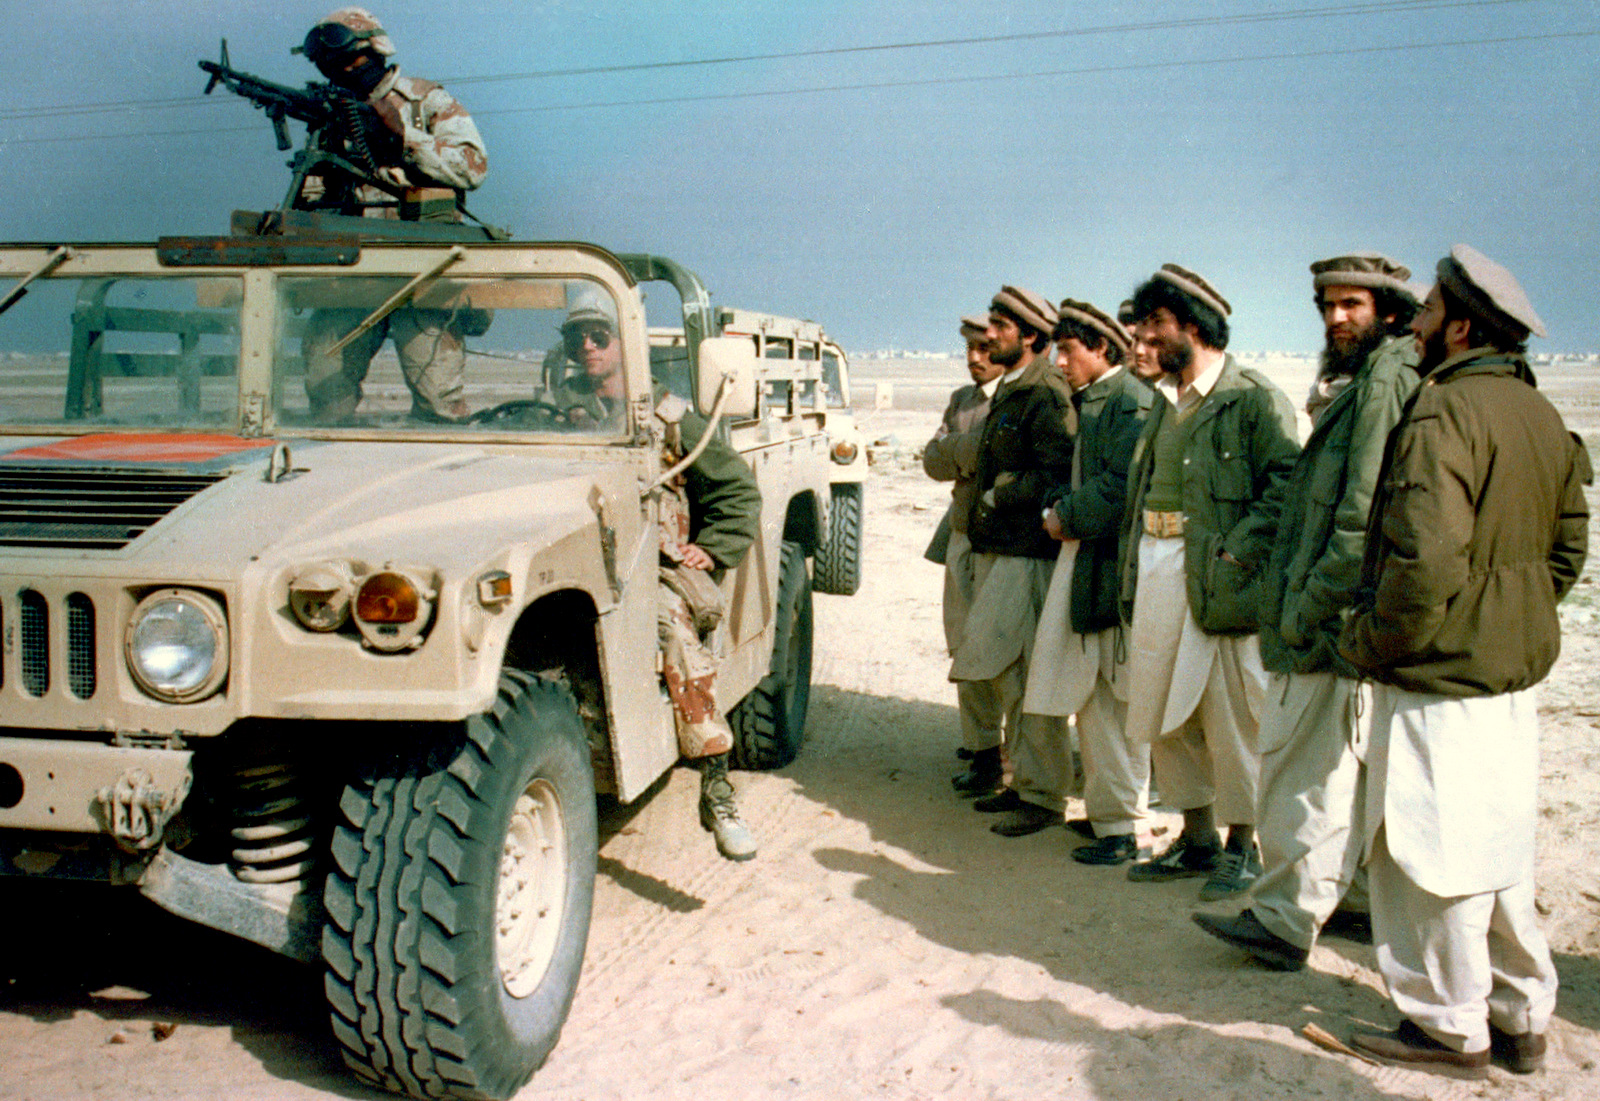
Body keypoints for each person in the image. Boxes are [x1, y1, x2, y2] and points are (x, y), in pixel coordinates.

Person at [1339, 245, 1588, 1077]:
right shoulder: (1540, 414)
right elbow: (1567, 550)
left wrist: (1371, 641)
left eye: (1431, 308)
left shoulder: (1444, 413)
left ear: (1462, 326)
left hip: (1441, 677)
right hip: (1508, 677)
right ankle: (1522, 1017)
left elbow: (1422, 565)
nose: (1416, 321)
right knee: (1500, 853)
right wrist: (1509, 617)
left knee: (1428, 856)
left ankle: (1448, 1026)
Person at [1193, 253, 1420, 969]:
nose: (1335, 317)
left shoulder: (1383, 380)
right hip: (1334, 614)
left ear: (1388, 309)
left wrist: (1308, 605)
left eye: (1352, 304)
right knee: (1335, 773)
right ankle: (1336, 905)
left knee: (1302, 774)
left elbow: (1357, 515)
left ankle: (1284, 920)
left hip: (1326, 619)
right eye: (1327, 304)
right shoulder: (1361, 380)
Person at [1118, 264, 1299, 899]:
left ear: (1194, 327)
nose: (1145, 339)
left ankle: (1242, 848)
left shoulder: (1253, 397)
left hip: (1221, 584)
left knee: (1232, 717)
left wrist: (1232, 556)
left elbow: (1285, 488)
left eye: (1156, 326)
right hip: (1159, 567)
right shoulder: (1162, 403)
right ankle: (1195, 839)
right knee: (1164, 709)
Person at [296, 7, 490, 422]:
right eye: (334, 64)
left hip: (423, 269)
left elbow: (472, 167)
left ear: (377, 48)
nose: (346, 68)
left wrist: (405, 137)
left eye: (354, 58)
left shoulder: (425, 100)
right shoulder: (332, 111)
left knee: (439, 399)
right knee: (325, 390)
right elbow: (312, 196)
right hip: (351, 269)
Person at [1022, 299, 1154, 863]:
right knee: (1101, 700)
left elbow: (1118, 489)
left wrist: (1064, 516)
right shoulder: (1103, 400)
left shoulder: (1126, 401)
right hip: (1095, 562)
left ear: (1101, 348)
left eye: (1068, 351)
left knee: (1109, 701)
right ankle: (1110, 816)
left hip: (1109, 566)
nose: (1060, 362)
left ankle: (1121, 830)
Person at [949, 287, 1076, 835]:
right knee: (1004, 672)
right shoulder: (1016, 388)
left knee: (1025, 677)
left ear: (1029, 337)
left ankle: (1044, 796)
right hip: (1000, 550)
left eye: (1000, 325)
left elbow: (1059, 469)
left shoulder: (1046, 390)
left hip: (1026, 553)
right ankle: (1025, 782)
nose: (989, 334)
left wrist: (1004, 493)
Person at [924, 316, 1011, 791]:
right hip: (962, 534)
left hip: (1007, 542)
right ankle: (983, 753)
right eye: (969, 350)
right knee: (964, 646)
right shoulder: (962, 400)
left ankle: (1019, 758)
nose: (975, 358)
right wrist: (974, 452)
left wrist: (958, 451)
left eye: (985, 348)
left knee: (1007, 650)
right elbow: (932, 461)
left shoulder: (1025, 398)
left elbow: (1011, 459)